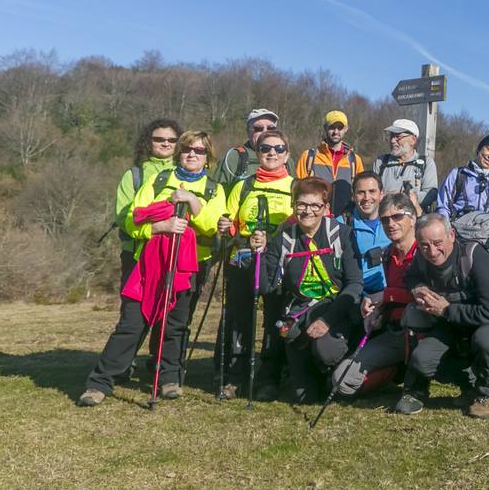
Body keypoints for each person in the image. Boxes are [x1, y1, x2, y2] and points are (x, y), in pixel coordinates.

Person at [79, 130, 226, 406]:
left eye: (199, 150)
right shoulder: (158, 181)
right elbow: (133, 220)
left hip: (190, 266)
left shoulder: (214, 189)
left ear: (208, 158)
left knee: (176, 324)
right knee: (132, 323)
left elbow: (212, 224)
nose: (192, 154)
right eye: (186, 149)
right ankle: (99, 383)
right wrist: (160, 226)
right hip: (150, 263)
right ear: (179, 154)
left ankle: (169, 378)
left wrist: (192, 201)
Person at [395, 214, 489, 419]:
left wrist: (446, 310)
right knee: (422, 359)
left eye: (437, 243)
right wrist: (418, 288)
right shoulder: (422, 256)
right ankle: (466, 383)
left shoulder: (474, 256)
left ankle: (485, 393)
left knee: (485, 339)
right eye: (425, 245)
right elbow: (410, 277)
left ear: (451, 235)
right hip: (455, 319)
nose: (432, 251)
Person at [264, 177, 363, 404]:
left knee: (327, 349)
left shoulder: (342, 235)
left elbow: (355, 282)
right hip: (299, 310)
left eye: (315, 205)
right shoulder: (284, 239)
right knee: (303, 397)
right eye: (301, 204)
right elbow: (265, 285)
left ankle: (331, 366)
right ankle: (304, 365)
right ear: (294, 205)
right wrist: (260, 252)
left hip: (334, 308)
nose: (307, 211)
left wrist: (327, 320)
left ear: (326, 208)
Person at [217, 128, 295, 400]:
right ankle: (238, 377)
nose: (272, 153)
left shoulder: (294, 186)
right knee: (241, 319)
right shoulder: (243, 185)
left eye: (278, 148)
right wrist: (227, 228)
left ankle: (269, 377)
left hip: (278, 262)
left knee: (274, 319)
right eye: (265, 148)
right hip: (243, 258)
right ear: (257, 153)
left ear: (287, 154)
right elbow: (230, 225)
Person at [331, 193, 418, 399]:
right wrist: (377, 310)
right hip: (394, 334)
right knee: (341, 382)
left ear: (413, 218)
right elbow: (389, 297)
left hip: (424, 334)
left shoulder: (427, 250)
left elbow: (427, 296)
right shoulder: (387, 253)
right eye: (385, 219)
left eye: (397, 217)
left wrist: (385, 296)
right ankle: (397, 371)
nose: (391, 224)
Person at [112, 118, 181, 289]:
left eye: (172, 140)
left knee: (171, 313)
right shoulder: (134, 175)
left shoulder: (186, 173)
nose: (166, 143)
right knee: (132, 313)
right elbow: (122, 216)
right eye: (159, 139)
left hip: (176, 252)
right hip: (136, 252)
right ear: (148, 142)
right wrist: (157, 226)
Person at [295, 110, 364, 216]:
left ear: (346, 129)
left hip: (345, 220)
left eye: (340, 128)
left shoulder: (355, 160)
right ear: (325, 128)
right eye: (332, 127)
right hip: (315, 218)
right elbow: (299, 191)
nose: (336, 132)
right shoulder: (308, 156)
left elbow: (360, 192)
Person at [373, 118, 438, 214]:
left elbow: (430, 194)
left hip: (413, 222)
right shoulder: (381, 161)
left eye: (398, 137)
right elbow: (372, 192)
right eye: (391, 136)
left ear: (413, 139)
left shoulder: (426, 163)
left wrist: (400, 199)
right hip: (384, 219)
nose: (392, 141)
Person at [438, 134, 489, 220]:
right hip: (457, 228)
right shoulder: (458, 174)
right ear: (479, 149)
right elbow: (443, 206)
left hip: (486, 230)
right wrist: (447, 229)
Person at [344, 171, 391, 288]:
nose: (366, 198)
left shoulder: (394, 223)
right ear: (353, 196)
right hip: (357, 296)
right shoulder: (341, 225)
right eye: (361, 192)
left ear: (381, 194)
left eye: (372, 191)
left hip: (390, 295)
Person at [216, 109, 280, 188]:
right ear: (248, 131)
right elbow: (216, 194)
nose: (265, 132)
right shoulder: (233, 157)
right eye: (258, 128)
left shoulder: (284, 158)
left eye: (270, 128)